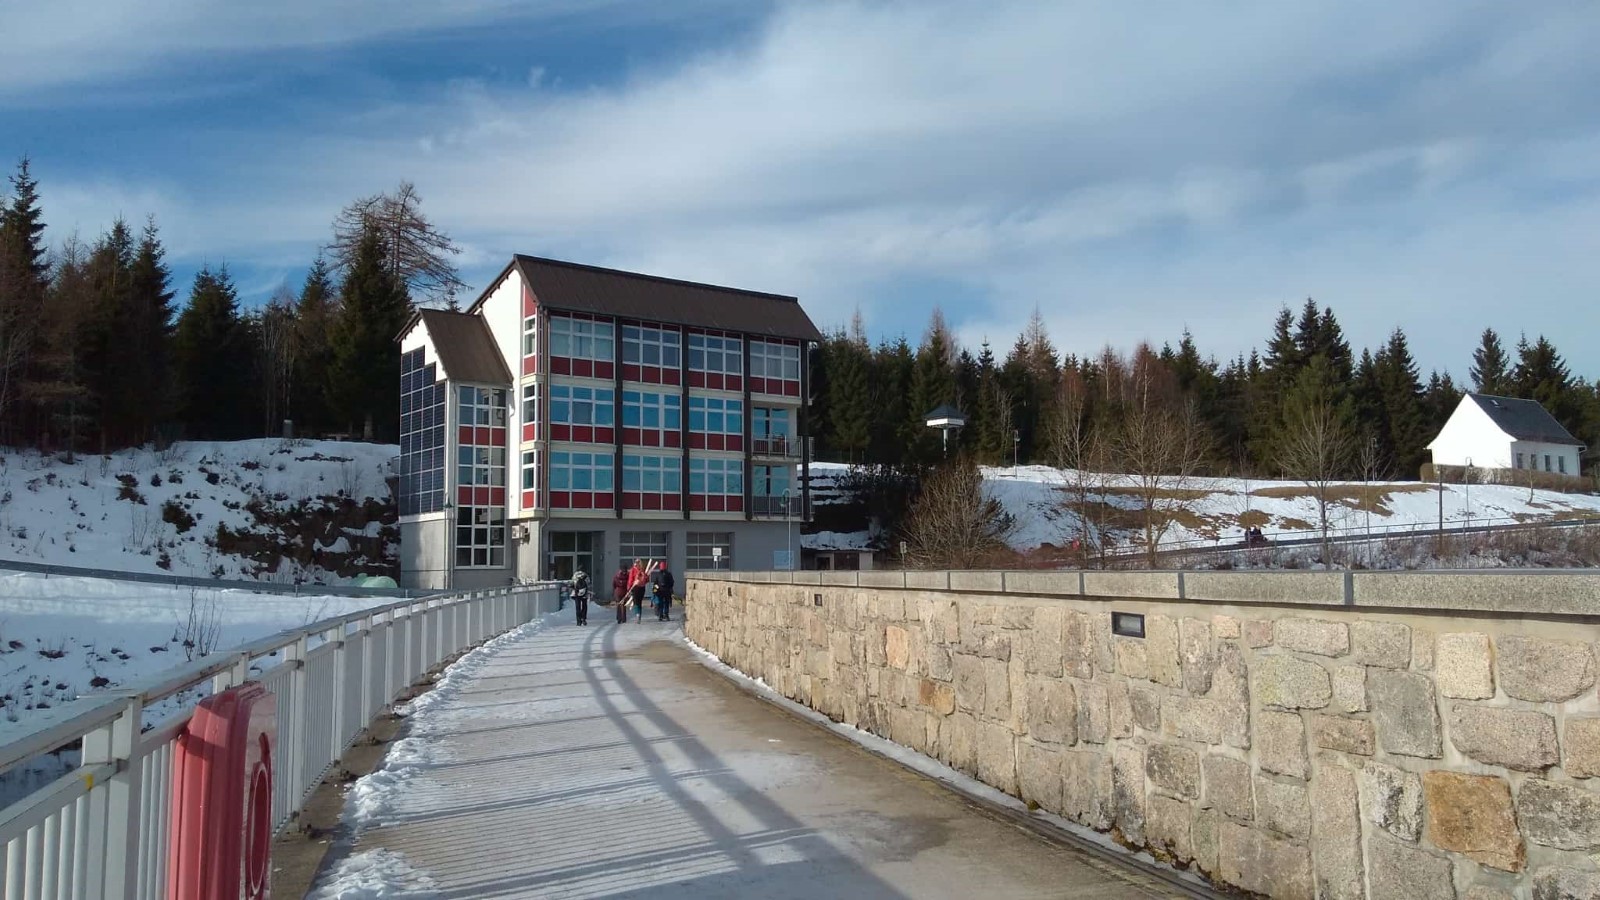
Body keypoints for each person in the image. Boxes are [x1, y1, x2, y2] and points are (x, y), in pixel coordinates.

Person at [627, 558, 649, 623]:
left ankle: (637, 614)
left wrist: (629, 588)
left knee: (635, 602)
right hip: (642, 588)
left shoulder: (633, 570)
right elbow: (647, 580)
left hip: (635, 587)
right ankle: (639, 615)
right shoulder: (643, 570)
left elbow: (630, 579)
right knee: (639, 602)